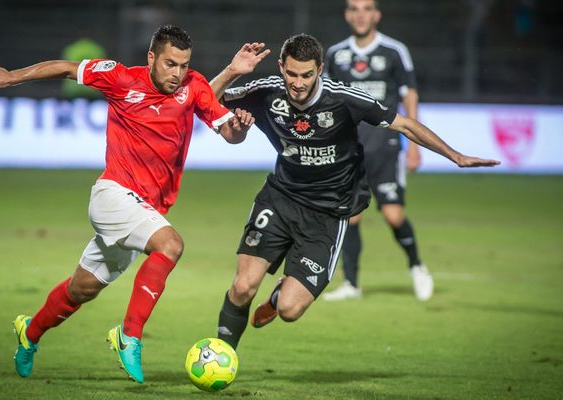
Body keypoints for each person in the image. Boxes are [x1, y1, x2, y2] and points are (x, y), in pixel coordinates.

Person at [0, 25, 254, 383]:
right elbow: (65, 67)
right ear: (152, 57)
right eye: (170, 64)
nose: (177, 73)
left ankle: (29, 334)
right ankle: (129, 334)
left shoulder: (194, 87)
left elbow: (229, 133)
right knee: (171, 246)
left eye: (184, 65)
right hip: (113, 195)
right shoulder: (120, 78)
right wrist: (13, 77)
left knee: (81, 289)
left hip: (145, 209)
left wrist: (241, 127)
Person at [208, 35, 499, 350]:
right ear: (281, 67)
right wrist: (232, 71)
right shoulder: (266, 91)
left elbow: (405, 125)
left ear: (320, 69)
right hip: (280, 198)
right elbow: (203, 99)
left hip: (328, 213)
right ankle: (223, 355)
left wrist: (454, 156)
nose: (298, 83)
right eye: (291, 74)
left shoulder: (344, 99)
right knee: (242, 287)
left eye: (307, 75)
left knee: (290, 310)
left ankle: (279, 295)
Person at [322, 0, 431, 302]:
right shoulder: (335, 54)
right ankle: (352, 285)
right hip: (349, 150)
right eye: (354, 8)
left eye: (367, 8)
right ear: (347, 15)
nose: (360, 14)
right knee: (351, 216)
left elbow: (409, 94)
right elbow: (326, 98)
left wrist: (414, 145)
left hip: (386, 147)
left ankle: (417, 265)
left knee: (394, 215)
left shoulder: (394, 51)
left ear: (377, 15)